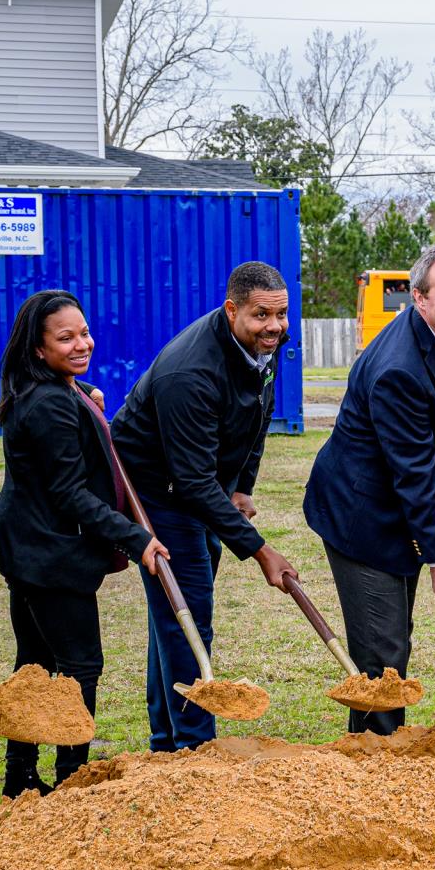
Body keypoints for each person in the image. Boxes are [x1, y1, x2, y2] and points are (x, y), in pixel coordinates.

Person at [0, 291, 167, 795]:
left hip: (28, 543)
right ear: (38, 350)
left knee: (35, 664)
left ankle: (20, 776)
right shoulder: (49, 404)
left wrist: (85, 404)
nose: (82, 343)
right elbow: (69, 495)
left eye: (83, 332)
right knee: (79, 666)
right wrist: (138, 538)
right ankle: (71, 779)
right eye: (65, 338)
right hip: (46, 552)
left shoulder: (52, 391)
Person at [111, 261, 298, 751]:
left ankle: (166, 741)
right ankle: (195, 751)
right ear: (232, 309)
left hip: (198, 483)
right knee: (189, 615)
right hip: (157, 494)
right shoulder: (190, 371)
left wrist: (241, 487)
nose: (274, 327)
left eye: (280, 315)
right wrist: (261, 552)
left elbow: (257, 417)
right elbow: (191, 483)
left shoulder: (261, 346)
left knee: (176, 615)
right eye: (261, 316)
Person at [304, 244, 435, 735]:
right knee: (383, 651)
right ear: (419, 299)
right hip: (362, 519)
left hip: (396, 514)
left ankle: (371, 750)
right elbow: (414, 475)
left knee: (393, 637)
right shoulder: (400, 369)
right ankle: (377, 763)